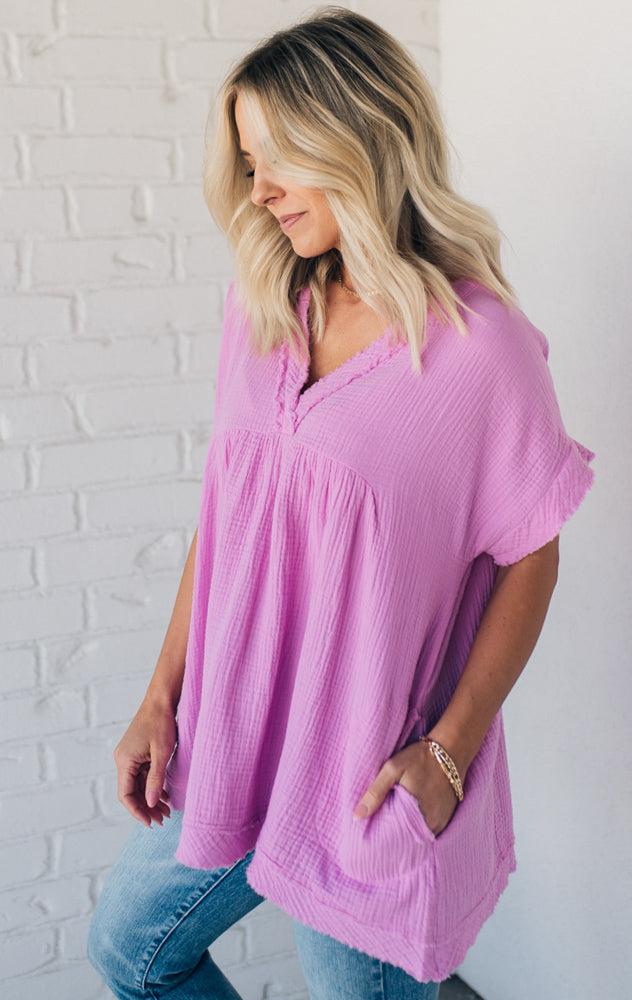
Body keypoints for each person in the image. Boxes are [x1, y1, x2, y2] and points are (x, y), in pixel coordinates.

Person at [86, 7, 596, 998]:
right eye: (247, 164)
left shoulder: (476, 347)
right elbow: (233, 521)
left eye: (278, 159)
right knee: (130, 948)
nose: (259, 190)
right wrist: (161, 697)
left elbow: (531, 555)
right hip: (236, 745)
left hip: (362, 778)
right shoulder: (262, 308)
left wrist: (448, 754)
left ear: (361, 135)